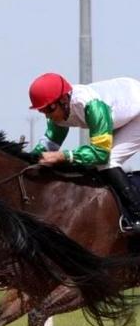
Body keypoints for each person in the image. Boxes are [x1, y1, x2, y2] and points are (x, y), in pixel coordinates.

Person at [29, 73, 140, 231]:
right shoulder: (58, 110)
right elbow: (50, 143)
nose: (47, 115)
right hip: (119, 112)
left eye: (49, 109)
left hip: (136, 113)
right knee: (92, 164)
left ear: (63, 100)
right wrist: (28, 158)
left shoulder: (91, 106)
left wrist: (64, 156)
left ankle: (136, 215)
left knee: (109, 161)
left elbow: (101, 153)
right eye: (42, 111)